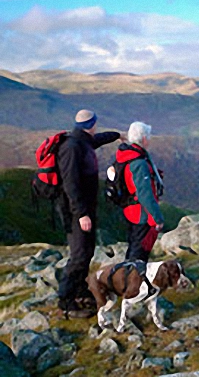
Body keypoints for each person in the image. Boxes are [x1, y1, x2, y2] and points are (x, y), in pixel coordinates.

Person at [57, 109, 123, 318]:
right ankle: (66, 302)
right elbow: (71, 184)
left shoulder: (82, 140)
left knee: (86, 251)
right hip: (76, 212)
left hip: (84, 209)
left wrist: (117, 135)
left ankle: (79, 291)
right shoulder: (72, 148)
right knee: (78, 255)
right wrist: (81, 213)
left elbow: (98, 140)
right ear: (91, 124)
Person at [116, 121, 164, 262]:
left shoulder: (128, 155)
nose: (149, 140)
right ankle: (132, 281)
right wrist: (157, 218)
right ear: (144, 139)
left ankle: (128, 278)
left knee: (133, 248)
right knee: (139, 255)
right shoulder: (139, 163)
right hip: (141, 215)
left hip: (130, 211)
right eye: (148, 137)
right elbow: (145, 194)